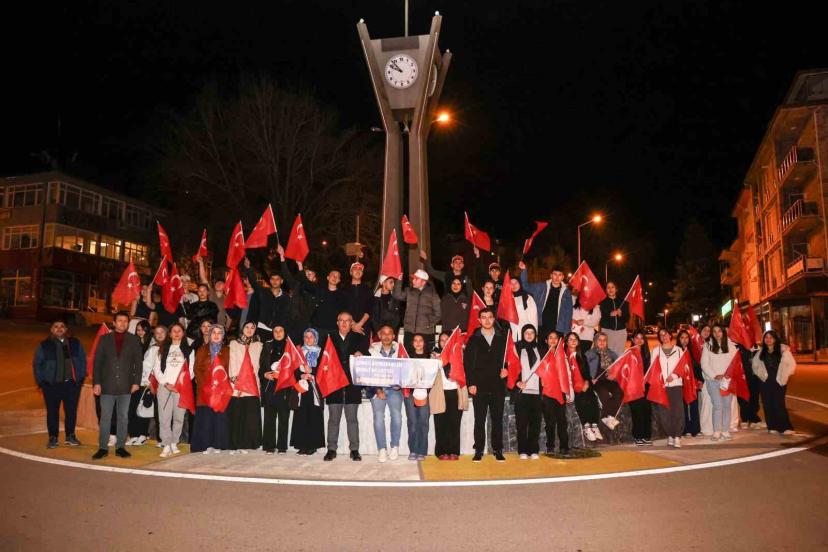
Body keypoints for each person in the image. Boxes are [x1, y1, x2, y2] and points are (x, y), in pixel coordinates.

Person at [92, 312, 143, 459]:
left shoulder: (134, 340)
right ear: (114, 323)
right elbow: (97, 363)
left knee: (123, 417)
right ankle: (103, 448)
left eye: (125, 321)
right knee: (105, 418)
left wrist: (136, 382)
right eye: (119, 320)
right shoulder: (104, 339)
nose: (122, 323)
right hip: (107, 385)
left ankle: (120, 447)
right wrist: (97, 382)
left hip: (126, 386)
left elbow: (138, 363)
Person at [33, 318, 87, 449]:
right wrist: (42, 382)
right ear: (51, 329)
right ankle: (53, 437)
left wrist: (79, 379)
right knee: (52, 412)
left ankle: (70, 436)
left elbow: (83, 360)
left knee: (71, 411)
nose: (59, 329)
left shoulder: (75, 343)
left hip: (71, 385)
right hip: (51, 385)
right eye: (56, 326)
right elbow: (37, 364)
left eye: (62, 326)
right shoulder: (44, 345)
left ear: (66, 329)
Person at [464, 307, 508, 462]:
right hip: (479, 386)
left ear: (494, 319)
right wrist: (471, 383)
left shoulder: (503, 338)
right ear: (479, 320)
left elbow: (509, 359)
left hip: (497, 386)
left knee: (497, 420)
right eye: (484, 317)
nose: (487, 320)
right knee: (479, 420)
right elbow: (468, 363)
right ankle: (478, 450)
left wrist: (507, 370)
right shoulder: (473, 339)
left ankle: (498, 449)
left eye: (490, 317)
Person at [324, 311, 368, 461]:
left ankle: (354, 450)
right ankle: (331, 449)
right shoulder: (329, 338)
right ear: (337, 323)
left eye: (347, 320)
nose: (344, 323)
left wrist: (362, 353)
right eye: (341, 320)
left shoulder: (359, 338)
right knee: (333, 420)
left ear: (351, 323)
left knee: (352, 420)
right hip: (334, 384)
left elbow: (367, 356)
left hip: (352, 386)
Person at [150, 323, 193, 457]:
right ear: (169, 334)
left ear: (183, 333)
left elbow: (191, 371)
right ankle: (166, 444)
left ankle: (174, 442)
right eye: (174, 331)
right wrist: (165, 383)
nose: (176, 333)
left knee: (179, 417)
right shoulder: (162, 349)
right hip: (165, 387)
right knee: (164, 417)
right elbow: (156, 369)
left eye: (179, 331)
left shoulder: (189, 351)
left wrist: (180, 384)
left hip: (181, 388)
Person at [367, 325, 406, 463]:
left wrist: (400, 384)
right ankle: (382, 449)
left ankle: (395, 446)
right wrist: (378, 390)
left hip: (395, 389)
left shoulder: (401, 350)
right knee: (378, 417)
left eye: (390, 333)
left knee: (397, 416)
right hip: (377, 389)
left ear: (394, 336)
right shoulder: (371, 351)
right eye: (384, 333)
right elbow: (368, 373)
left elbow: (406, 370)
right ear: (379, 335)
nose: (387, 336)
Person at [190, 324, 230, 453]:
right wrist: (206, 385)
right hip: (205, 389)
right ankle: (205, 444)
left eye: (219, 333)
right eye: (214, 333)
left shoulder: (227, 350)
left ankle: (218, 444)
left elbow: (229, 369)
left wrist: (223, 385)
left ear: (223, 336)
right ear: (210, 334)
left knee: (219, 418)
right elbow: (197, 368)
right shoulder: (202, 349)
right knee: (206, 418)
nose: (216, 335)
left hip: (221, 390)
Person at [227, 321, 263, 453]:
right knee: (237, 416)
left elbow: (258, 366)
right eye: (247, 327)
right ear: (242, 328)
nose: (249, 330)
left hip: (252, 385)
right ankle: (234, 444)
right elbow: (232, 363)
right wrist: (237, 383)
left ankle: (248, 444)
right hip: (238, 385)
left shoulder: (258, 345)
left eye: (252, 328)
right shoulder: (234, 343)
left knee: (250, 416)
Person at [431, 331, 467, 460]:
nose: (444, 342)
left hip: (455, 392)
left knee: (454, 423)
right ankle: (441, 451)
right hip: (440, 393)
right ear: (438, 342)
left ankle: (454, 451)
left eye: (447, 339)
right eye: (442, 340)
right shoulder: (433, 356)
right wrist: (434, 363)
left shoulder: (458, 353)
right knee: (440, 423)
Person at [752, 331, 796, 435]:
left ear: (775, 339)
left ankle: (786, 427)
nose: (768, 339)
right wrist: (761, 375)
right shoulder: (760, 352)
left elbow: (792, 365)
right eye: (766, 337)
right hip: (765, 382)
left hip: (779, 381)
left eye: (771, 337)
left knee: (779, 404)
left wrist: (785, 375)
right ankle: (772, 426)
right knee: (767, 404)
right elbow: (754, 366)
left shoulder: (783, 351)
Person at [258, 325, 293, 454]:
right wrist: (264, 374)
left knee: (284, 417)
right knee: (269, 417)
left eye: (280, 331)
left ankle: (282, 446)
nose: (278, 333)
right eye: (275, 331)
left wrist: (286, 376)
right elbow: (261, 366)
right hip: (270, 385)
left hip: (284, 385)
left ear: (285, 332)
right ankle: (269, 446)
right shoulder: (267, 346)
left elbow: (294, 367)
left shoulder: (290, 347)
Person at [291, 328, 325, 455]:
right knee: (301, 414)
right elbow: (293, 369)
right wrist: (301, 375)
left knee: (314, 414)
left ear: (316, 338)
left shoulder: (321, 352)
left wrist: (313, 372)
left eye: (311, 337)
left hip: (315, 386)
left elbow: (324, 368)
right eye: (306, 336)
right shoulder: (299, 352)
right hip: (302, 386)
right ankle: (302, 445)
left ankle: (313, 445)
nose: (308, 339)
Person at [701, 325, 738, 442]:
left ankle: (725, 430)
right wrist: (714, 375)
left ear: (723, 332)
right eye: (714, 331)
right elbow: (704, 364)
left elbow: (735, 363)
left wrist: (727, 376)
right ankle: (717, 431)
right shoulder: (708, 346)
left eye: (719, 331)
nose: (717, 334)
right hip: (713, 381)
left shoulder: (731, 346)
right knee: (717, 406)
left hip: (727, 381)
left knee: (727, 406)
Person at [518, 261, 574, 339]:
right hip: (541, 326)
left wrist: (567, 332)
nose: (557, 277)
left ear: (563, 277)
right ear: (551, 275)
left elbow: (568, 313)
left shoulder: (567, 293)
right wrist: (524, 270)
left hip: (558, 328)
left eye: (560, 275)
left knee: (557, 347)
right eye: (555, 274)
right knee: (541, 346)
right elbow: (526, 287)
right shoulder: (542, 287)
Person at [650, 328, 685, 448]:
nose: (664, 337)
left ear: (670, 335)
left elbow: (683, 367)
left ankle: (677, 436)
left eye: (666, 334)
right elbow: (653, 369)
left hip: (676, 385)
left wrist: (674, 376)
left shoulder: (679, 350)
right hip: (662, 386)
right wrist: (660, 380)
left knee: (677, 411)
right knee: (664, 413)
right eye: (661, 335)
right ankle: (670, 434)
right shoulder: (656, 351)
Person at [392, 269, 441, 352]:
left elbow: (438, 313)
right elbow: (397, 295)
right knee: (408, 355)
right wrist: (399, 281)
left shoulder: (432, 294)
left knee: (426, 356)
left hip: (426, 333)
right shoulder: (409, 291)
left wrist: (429, 324)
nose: (413, 281)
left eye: (416, 279)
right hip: (409, 331)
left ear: (423, 282)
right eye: (413, 278)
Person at [514, 324, 543, 459]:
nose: (530, 335)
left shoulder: (541, 349)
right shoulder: (517, 348)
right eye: (527, 333)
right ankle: (522, 451)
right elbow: (511, 368)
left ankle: (534, 450)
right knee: (522, 423)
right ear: (522, 334)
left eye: (532, 332)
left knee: (535, 423)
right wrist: (517, 382)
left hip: (537, 392)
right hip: (522, 392)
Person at [243, 258, 290, 342]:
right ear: (270, 281)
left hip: (276, 332)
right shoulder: (263, 292)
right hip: (260, 329)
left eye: (277, 279)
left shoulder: (286, 297)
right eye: (273, 279)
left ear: (281, 281)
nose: (275, 281)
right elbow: (254, 283)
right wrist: (249, 268)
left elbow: (287, 316)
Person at [125, 320, 156, 446]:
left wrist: (150, 382)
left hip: (145, 382)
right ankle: (134, 435)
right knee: (131, 408)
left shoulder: (152, 345)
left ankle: (143, 435)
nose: (140, 332)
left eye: (143, 329)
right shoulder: (132, 343)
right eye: (138, 330)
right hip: (133, 381)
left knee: (143, 408)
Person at [540, 331, 570, 455]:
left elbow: (567, 374)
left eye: (555, 338)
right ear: (546, 340)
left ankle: (564, 446)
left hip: (560, 391)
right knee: (550, 422)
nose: (553, 340)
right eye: (550, 338)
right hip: (547, 392)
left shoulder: (562, 355)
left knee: (562, 421)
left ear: (559, 340)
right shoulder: (542, 355)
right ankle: (550, 446)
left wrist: (568, 392)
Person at [565, 332, 597, 443]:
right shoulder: (564, 356)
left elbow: (586, 372)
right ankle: (586, 426)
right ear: (566, 342)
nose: (573, 341)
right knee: (581, 397)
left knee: (591, 395)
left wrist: (587, 382)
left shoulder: (581, 355)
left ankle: (594, 424)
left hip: (583, 382)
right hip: (571, 384)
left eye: (575, 339)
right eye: (570, 339)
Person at [586, 333, 621, 431]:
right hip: (597, 380)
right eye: (599, 340)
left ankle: (608, 417)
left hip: (610, 380)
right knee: (604, 394)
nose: (602, 342)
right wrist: (590, 378)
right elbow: (584, 368)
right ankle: (608, 418)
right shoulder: (589, 353)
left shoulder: (612, 353)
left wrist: (614, 375)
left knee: (619, 392)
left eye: (604, 340)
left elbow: (619, 366)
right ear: (595, 341)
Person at [404, 334, 431, 461]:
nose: (418, 343)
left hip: (425, 393)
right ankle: (413, 450)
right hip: (410, 393)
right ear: (412, 343)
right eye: (415, 340)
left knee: (424, 422)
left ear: (424, 343)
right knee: (413, 422)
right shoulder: (406, 357)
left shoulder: (430, 358)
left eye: (421, 340)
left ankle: (422, 451)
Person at [628, 331, 653, 445]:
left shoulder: (647, 354)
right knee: (637, 411)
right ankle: (637, 435)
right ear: (633, 340)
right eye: (636, 338)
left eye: (641, 338)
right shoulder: (629, 353)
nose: (639, 340)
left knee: (646, 411)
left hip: (645, 386)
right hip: (634, 387)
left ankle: (646, 435)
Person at [676, 330, 701, 437]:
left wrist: (700, 380)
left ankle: (696, 429)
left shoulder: (693, 351)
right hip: (681, 383)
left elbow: (698, 367)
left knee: (694, 406)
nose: (684, 340)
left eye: (686, 338)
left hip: (692, 383)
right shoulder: (675, 352)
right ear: (678, 339)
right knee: (684, 408)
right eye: (682, 337)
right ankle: (686, 430)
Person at [196, 256, 229, 329]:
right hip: (209, 327)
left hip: (220, 327)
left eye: (221, 283)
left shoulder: (226, 299)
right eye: (217, 283)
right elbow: (203, 278)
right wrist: (201, 263)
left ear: (224, 287)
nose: (218, 284)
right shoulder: (211, 293)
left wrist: (227, 328)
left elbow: (228, 315)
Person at [342, 262, 373, 336]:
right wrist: (353, 324)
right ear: (351, 272)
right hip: (347, 326)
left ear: (362, 273)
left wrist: (359, 324)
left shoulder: (368, 290)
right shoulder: (343, 289)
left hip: (363, 328)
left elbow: (370, 308)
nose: (358, 270)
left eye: (360, 269)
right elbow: (342, 307)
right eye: (355, 268)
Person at [598, 282, 629, 355]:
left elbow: (627, 318)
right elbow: (600, 319)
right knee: (607, 354)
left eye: (612, 287)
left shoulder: (623, 302)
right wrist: (610, 314)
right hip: (607, 331)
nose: (610, 289)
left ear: (616, 289)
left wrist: (621, 315)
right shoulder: (602, 303)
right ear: (606, 290)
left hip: (621, 332)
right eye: (608, 287)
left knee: (619, 354)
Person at [509, 278, 538, 342]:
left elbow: (533, 318)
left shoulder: (527, 297)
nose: (514, 285)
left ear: (520, 284)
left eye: (516, 283)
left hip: (526, 332)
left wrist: (534, 336)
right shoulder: (507, 298)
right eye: (511, 283)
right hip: (512, 332)